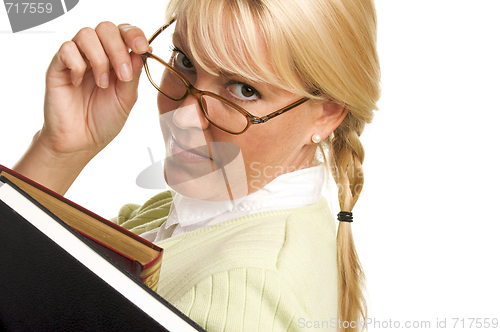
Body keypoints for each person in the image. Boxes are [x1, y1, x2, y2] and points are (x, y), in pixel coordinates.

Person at [13, 0, 380, 330]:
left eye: (243, 89)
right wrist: (60, 150)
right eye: (185, 62)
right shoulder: (210, 205)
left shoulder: (242, 290)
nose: (185, 118)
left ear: (326, 113)